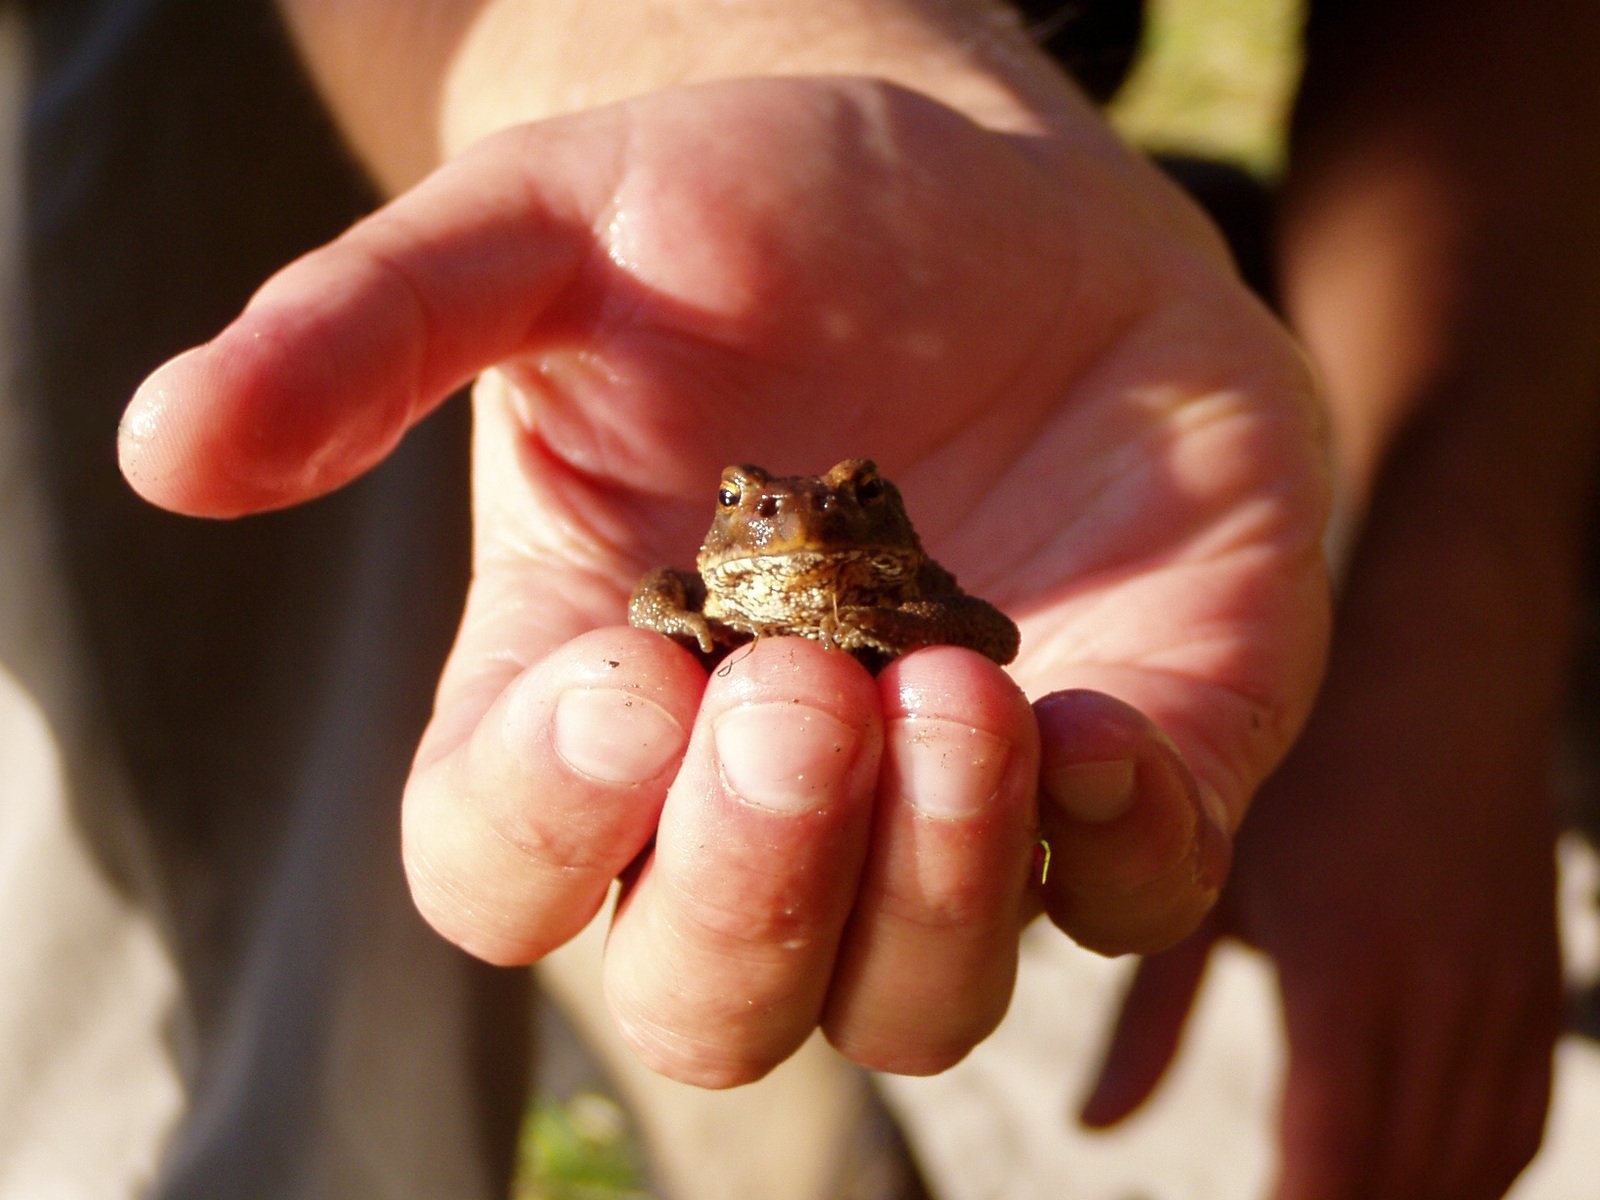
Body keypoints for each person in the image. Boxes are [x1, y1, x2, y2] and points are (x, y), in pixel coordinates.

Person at [2, 3, 1594, 1200]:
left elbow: (989, 629)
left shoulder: (900, 571)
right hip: (250, 73)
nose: (810, 530)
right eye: (783, 514)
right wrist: (648, 42)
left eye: (842, 510)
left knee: (914, 893)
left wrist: (1454, 631)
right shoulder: (714, 568)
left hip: (1025, 255)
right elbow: (676, 587)